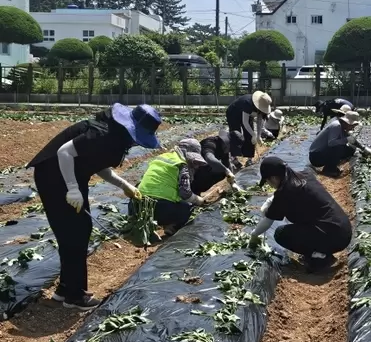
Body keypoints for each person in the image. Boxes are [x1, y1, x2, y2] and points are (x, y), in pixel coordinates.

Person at [27, 103, 161, 310]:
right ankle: (75, 296)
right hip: (55, 175)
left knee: (75, 230)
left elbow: (97, 163)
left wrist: (124, 185)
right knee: (75, 231)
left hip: (67, 175)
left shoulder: (114, 136)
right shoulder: (102, 134)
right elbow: (64, 153)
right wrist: (72, 188)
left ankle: (66, 289)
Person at [248, 157, 352, 271]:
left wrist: (254, 236)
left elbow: (268, 221)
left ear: (273, 178)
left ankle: (320, 257)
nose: (269, 184)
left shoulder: (284, 193)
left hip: (334, 237)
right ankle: (320, 251)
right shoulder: (304, 175)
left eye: (267, 181)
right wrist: (270, 200)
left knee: (281, 234)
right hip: (344, 230)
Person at [135, 138, 209, 237]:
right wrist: (198, 200)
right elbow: (185, 193)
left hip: (138, 207)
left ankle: (149, 225)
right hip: (159, 209)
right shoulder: (182, 165)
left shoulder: (162, 157)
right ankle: (171, 226)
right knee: (188, 207)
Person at [309, 110, 371, 177]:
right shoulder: (336, 126)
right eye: (353, 126)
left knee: (351, 149)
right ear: (348, 123)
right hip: (316, 157)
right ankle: (329, 169)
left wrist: (363, 148)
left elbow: (352, 140)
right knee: (339, 147)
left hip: (321, 153)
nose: (353, 128)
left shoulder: (341, 127)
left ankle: (331, 165)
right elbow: (331, 143)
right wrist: (346, 139)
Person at [226, 91, 272, 167]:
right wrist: (254, 134)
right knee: (236, 134)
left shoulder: (261, 109)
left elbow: (259, 121)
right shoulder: (248, 103)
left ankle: (249, 159)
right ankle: (234, 158)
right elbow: (245, 122)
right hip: (233, 113)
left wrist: (258, 136)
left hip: (247, 115)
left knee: (250, 136)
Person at [191, 129, 243, 195]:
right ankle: (193, 190)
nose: (230, 151)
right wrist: (226, 170)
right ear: (228, 143)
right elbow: (209, 158)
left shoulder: (224, 148)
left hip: (200, 168)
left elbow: (226, 164)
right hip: (190, 170)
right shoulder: (210, 143)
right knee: (216, 169)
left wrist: (233, 183)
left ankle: (197, 190)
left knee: (221, 173)